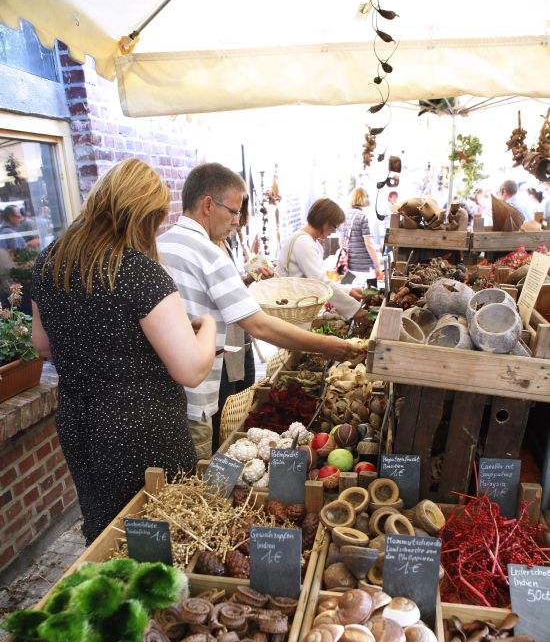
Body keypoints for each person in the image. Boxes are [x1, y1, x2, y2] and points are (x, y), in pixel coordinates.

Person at [31, 158, 217, 544]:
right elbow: (191, 369)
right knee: (161, 530)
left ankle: (108, 580)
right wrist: (209, 325)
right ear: (144, 216)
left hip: (80, 419)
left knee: (106, 530)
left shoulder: (49, 261)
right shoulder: (138, 271)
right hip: (143, 427)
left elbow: (42, 345)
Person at [157, 162, 365, 461]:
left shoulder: (159, 245)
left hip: (161, 397)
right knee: (193, 473)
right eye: (233, 211)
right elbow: (260, 326)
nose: (236, 221)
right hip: (194, 398)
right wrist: (329, 346)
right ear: (208, 205)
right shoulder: (210, 255)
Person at [211, 197, 272, 452]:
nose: (236, 221)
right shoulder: (206, 251)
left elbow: (231, 289)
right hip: (222, 345)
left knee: (243, 404)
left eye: (239, 214)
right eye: (233, 213)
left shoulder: (225, 243)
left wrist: (249, 278)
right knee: (225, 412)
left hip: (240, 337)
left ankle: (238, 453)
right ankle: (224, 455)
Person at [277, 198, 366, 320]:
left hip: (298, 307)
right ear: (325, 222)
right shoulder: (304, 242)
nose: (333, 231)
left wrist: (348, 290)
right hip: (292, 309)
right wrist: (354, 308)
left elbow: (318, 281)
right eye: (334, 227)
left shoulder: (311, 241)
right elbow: (320, 282)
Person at [339, 189, 382, 279]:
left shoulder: (344, 216)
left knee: (351, 287)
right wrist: (378, 265)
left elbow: (341, 242)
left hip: (348, 265)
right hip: (364, 267)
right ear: (364, 198)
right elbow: (369, 244)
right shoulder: (363, 217)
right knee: (367, 288)